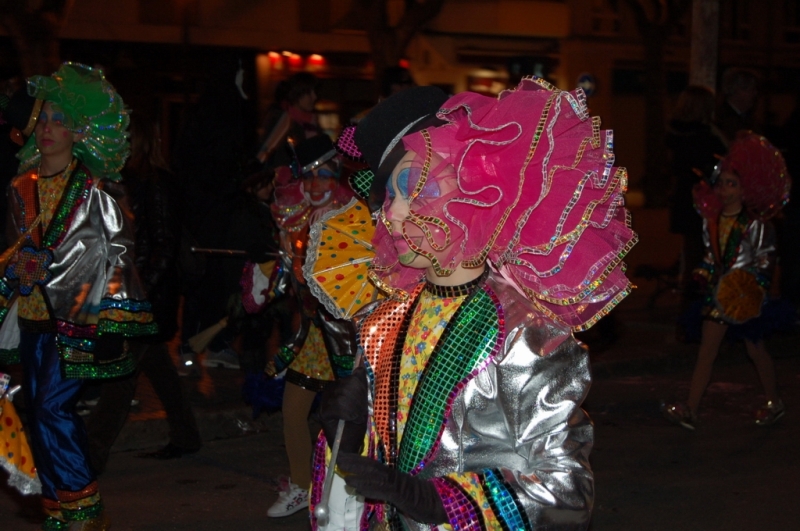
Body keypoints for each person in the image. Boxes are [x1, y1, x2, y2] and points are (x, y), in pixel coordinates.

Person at [311, 80, 637, 530]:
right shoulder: (379, 323)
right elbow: (372, 472)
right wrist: (345, 439)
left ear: (478, 186)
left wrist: (442, 502)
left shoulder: (527, 336)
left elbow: (566, 491)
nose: (394, 214)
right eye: (387, 196)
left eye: (415, 187)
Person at [0, 62, 155, 530]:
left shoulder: (95, 192)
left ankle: (86, 512)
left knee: (52, 407)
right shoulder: (20, 188)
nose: (48, 129)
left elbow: (120, 256)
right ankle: (59, 509)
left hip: (80, 318)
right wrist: (16, 268)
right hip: (31, 317)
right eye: (43, 120)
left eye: (59, 121)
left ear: (80, 131)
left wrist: (113, 318)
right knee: (39, 412)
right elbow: (14, 248)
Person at [241, 133, 357, 518]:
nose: (315, 184)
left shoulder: (353, 219)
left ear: (339, 175)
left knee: (344, 423)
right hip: (313, 337)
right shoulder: (299, 220)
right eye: (308, 176)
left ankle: (351, 497)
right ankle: (302, 485)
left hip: (348, 339)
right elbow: (291, 277)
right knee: (293, 411)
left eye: (324, 174)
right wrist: (267, 273)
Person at [84, 112, 202, 473]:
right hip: (138, 292)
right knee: (157, 368)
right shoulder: (132, 182)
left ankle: (89, 457)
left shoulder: (156, 184)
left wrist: (141, 292)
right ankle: (186, 435)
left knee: (120, 379)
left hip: (147, 296)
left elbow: (164, 245)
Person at [663, 132, 791, 430]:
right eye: (721, 183)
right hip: (719, 298)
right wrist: (702, 273)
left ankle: (774, 401)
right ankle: (691, 409)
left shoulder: (756, 225)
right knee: (706, 352)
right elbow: (712, 257)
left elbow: (765, 259)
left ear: (747, 189)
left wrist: (754, 285)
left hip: (746, 299)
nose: (724, 190)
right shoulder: (712, 222)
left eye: (732, 184)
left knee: (755, 350)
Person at [666, 86, 728, 321]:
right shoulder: (703, 136)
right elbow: (721, 159)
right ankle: (695, 313)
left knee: (693, 256)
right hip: (702, 202)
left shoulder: (675, 134)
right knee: (702, 259)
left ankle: (689, 312)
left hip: (684, 200)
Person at [715, 68, 760, 143]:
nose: (755, 93)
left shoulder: (750, 119)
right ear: (736, 90)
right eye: (751, 90)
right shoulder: (720, 120)